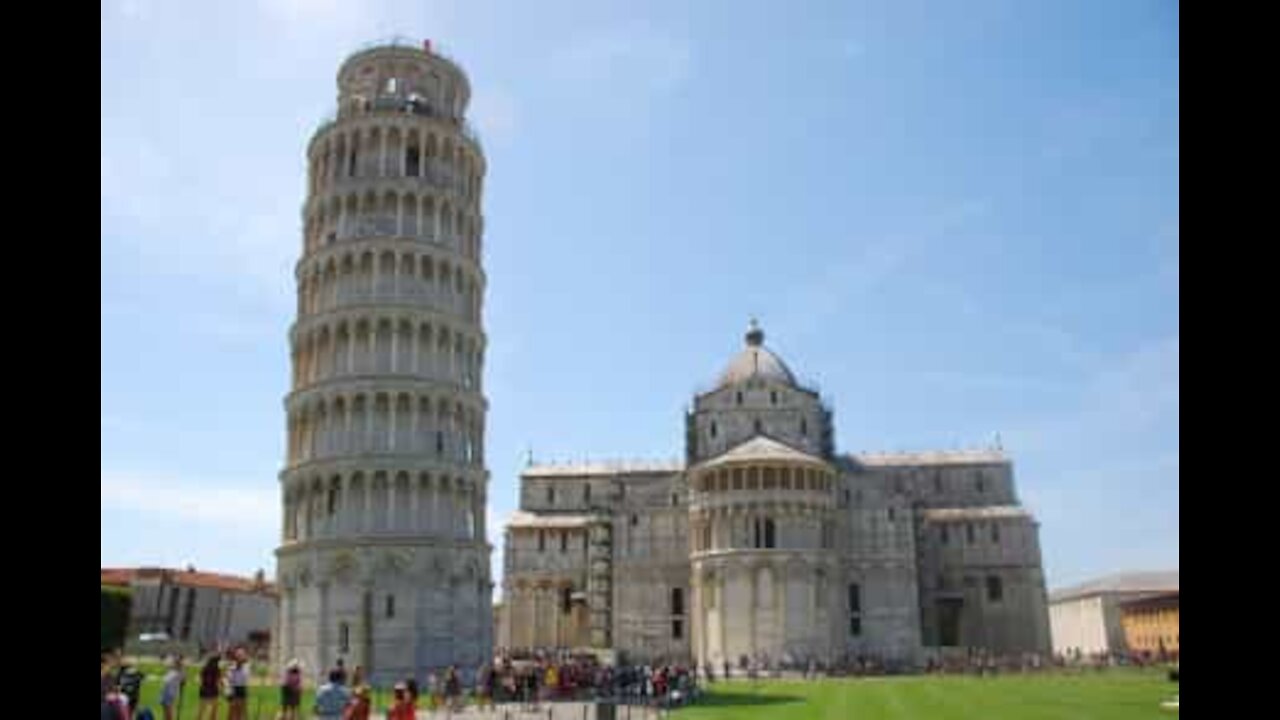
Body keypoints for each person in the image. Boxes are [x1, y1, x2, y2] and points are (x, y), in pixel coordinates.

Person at [226, 649, 250, 720]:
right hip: (234, 689)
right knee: (233, 710)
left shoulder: (245, 667)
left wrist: (239, 667)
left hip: (242, 689)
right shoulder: (232, 667)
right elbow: (229, 679)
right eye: (238, 657)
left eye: (241, 656)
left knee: (242, 710)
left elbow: (245, 678)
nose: (240, 659)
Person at [198, 654, 223, 720]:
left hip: (204, 690)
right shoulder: (217, 669)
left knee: (202, 710)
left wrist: (202, 686)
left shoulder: (205, 668)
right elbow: (218, 681)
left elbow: (200, 678)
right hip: (213, 690)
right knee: (214, 710)